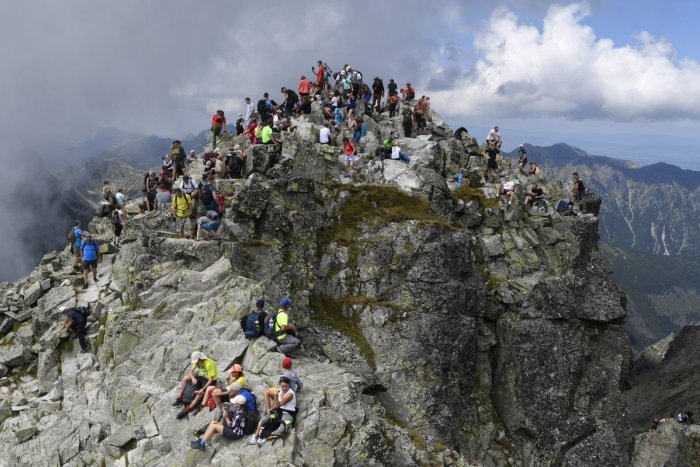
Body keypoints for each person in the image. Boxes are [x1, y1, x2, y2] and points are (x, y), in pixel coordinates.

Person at [248, 376, 297, 445]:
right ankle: (255, 436)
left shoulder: (290, 394)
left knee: (281, 430)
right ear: (280, 385)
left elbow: (279, 404)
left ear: (289, 385)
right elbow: (277, 406)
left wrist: (276, 398)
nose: (284, 388)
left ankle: (265, 438)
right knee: (265, 419)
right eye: (282, 386)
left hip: (288, 414)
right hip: (279, 411)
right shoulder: (280, 390)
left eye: (286, 386)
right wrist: (270, 410)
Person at [175, 351, 218, 419]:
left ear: (200, 358)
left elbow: (211, 379)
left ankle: (187, 410)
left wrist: (203, 389)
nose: (196, 363)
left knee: (200, 393)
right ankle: (181, 397)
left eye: (196, 361)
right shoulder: (197, 362)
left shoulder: (209, 364)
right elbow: (190, 371)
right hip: (201, 377)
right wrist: (192, 378)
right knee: (186, 378)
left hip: (209, 380)